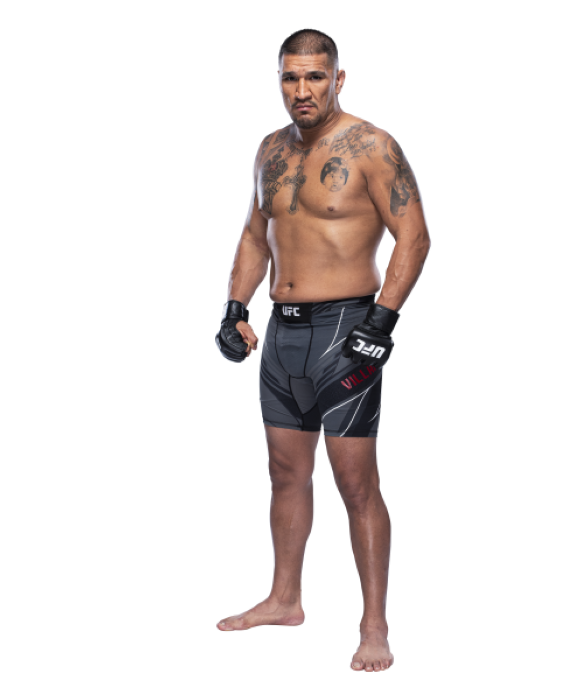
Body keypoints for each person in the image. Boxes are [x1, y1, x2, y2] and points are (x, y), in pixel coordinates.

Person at [215, 28, 431, 673]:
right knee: (285, 473)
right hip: (280, 334)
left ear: (338, 78)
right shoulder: (270, 148)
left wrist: (382, 322)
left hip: (346, 331)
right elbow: (256, 233)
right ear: (279, 81)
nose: (302, 89)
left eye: (315, 76)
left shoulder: (372, 145)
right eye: (290, 77)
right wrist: (235, 308)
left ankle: (374, 625)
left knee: (355, 483)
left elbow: (415, 236)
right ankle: (285, 599)